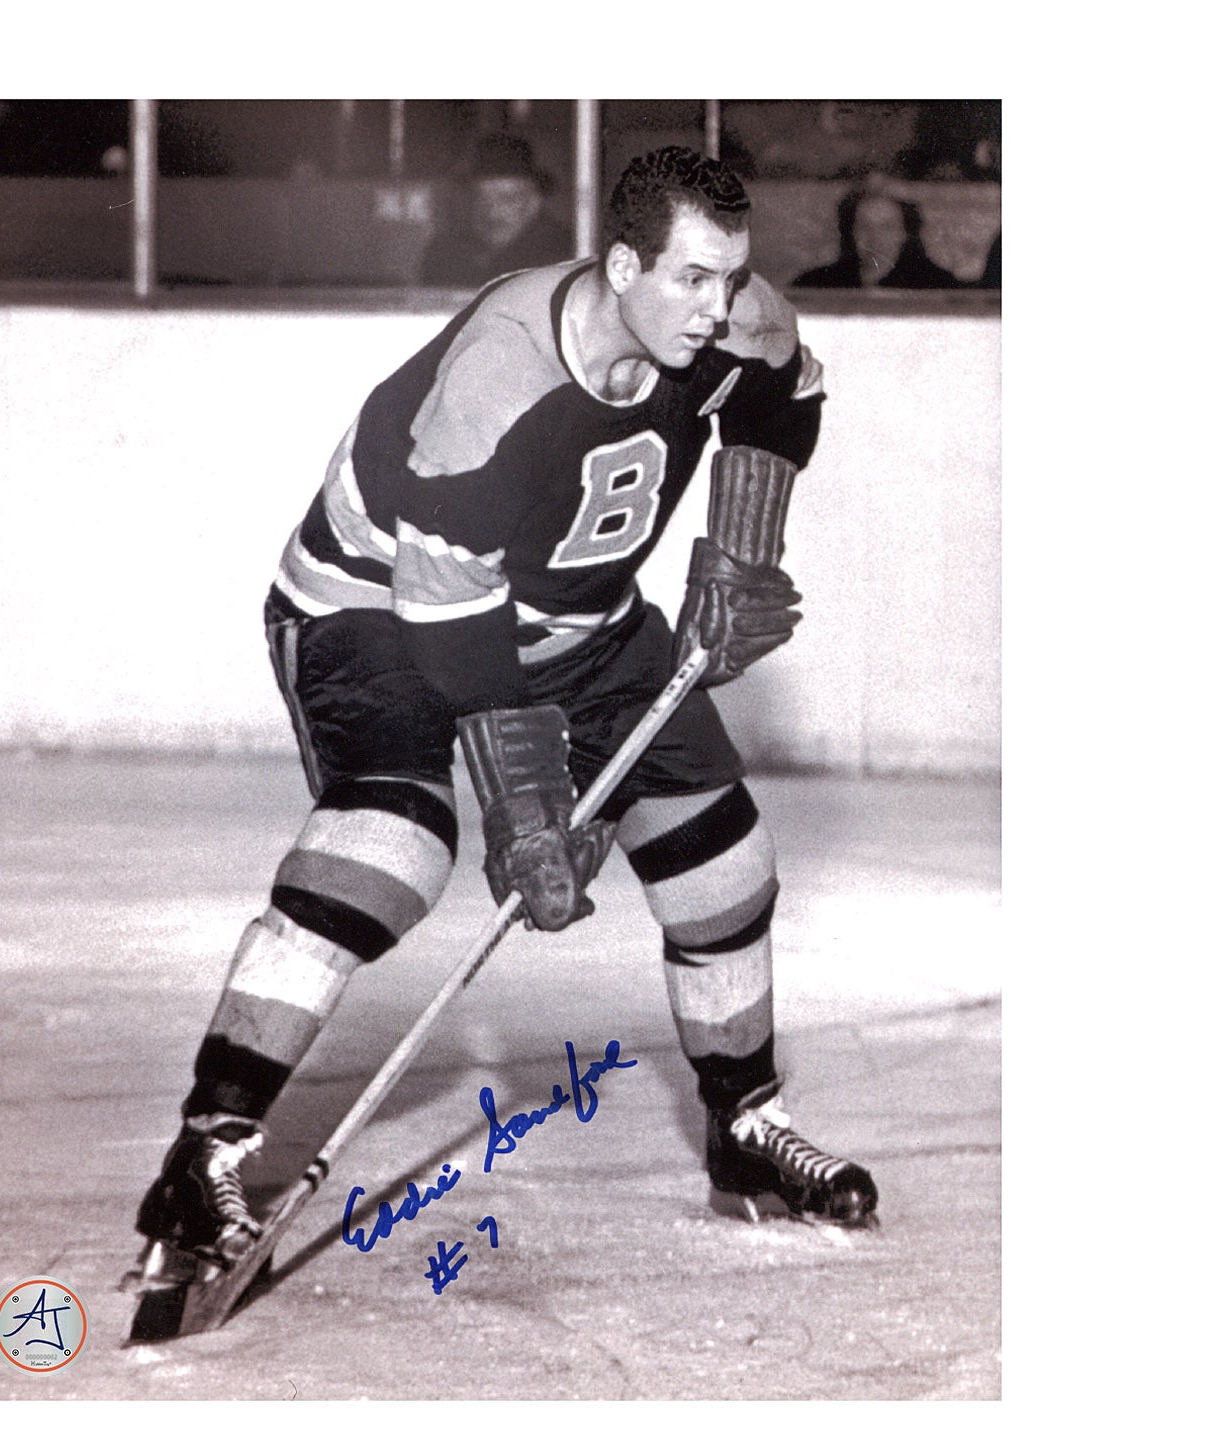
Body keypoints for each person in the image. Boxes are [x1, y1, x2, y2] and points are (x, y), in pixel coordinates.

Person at [134, 146, 878, 1284]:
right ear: (621, 267)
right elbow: (452, 624)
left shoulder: (739, 318)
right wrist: (530, 811)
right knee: (392, 848)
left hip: (578, 614)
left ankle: (743, 1126)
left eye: (730, 276)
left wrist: (740, 553)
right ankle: (206, 1152)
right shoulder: (500, 382)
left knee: (723, 867)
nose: (717, 306)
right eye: (690, 279)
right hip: (376, 608)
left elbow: (782, 404)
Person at [420, 132, 574, 287]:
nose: (492, 212)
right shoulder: (444, 251)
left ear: (534, 202)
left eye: (507, 199)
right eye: (482, 198)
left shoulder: (564, 253)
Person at [792, 188, 962, 290]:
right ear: (851, 232)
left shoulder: (938, 285)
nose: (875, 237)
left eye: (887, 227)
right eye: (864, 226)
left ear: (905, 233)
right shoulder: (817, 283)